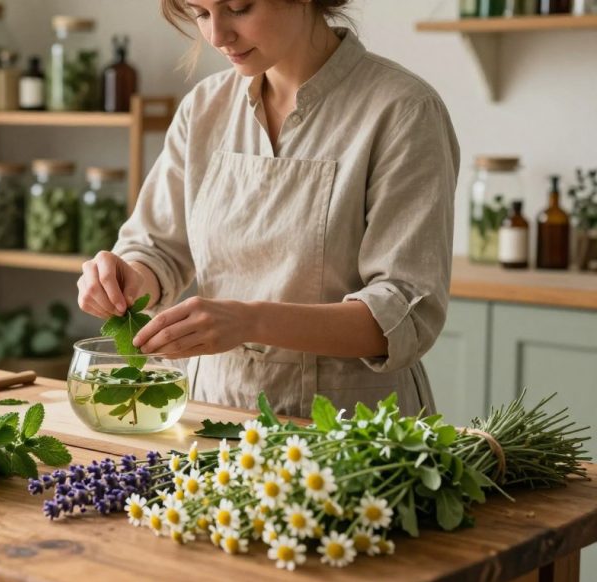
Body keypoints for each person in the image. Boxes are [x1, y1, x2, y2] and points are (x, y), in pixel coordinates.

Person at [76, 0, 459, 418]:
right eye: (201, 13)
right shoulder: (204, 107)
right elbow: (158, 249)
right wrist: (126, 277)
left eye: (238, 7)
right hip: (214, 415)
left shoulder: (403, 110)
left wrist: (250, 321)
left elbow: (403, 315)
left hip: (354, 429)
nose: (217, 36)